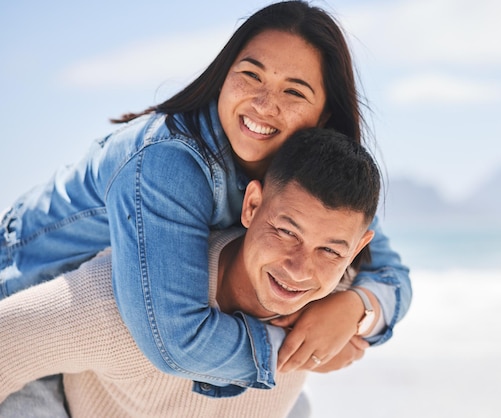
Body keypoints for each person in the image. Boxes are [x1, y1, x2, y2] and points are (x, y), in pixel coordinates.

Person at [0, 0, 411, 410]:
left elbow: (387, 271)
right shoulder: (166, 160)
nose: (264, 104)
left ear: (325, 117)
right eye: (251, 76)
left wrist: (356, 309)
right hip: (32, 300)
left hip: (102, 358)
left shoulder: (305, 184)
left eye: (293, 92)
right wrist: (300, 345)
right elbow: (177, 339)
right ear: (223, 79)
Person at [0, 128, 381, 418]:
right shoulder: (122, 304)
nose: (299, 269)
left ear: (356, 249)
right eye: (286, 232)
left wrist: (360, 309)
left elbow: (392, 287)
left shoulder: (333, 300)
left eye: (330, 250)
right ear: (251, 205)